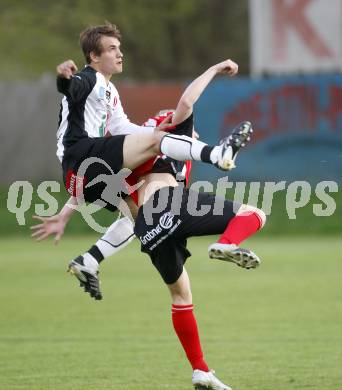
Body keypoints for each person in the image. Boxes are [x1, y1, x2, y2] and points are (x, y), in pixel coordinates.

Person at [33, 58, 265, 390]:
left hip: (149, 229)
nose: (192, 132)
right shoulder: (167, 132)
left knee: (181, 295)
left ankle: (201, 370)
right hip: (165, 206)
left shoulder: (142, 152)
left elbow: (99, 177)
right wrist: (213, 70)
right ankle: (228, 244)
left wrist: (67, 212)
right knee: (254, 214)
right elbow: (186, 102)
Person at [55, 22, 250, 215]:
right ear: (94, 56)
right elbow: (71, 87)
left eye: (119, 48)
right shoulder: (89, 78)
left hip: (80, 178)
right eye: (112, 49)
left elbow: (120, 126)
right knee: (157, 143)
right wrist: (64, 78)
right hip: (80, 157)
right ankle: (217, 154)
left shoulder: (109, 90)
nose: (120, 54)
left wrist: (153, 132)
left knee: (146, 223)